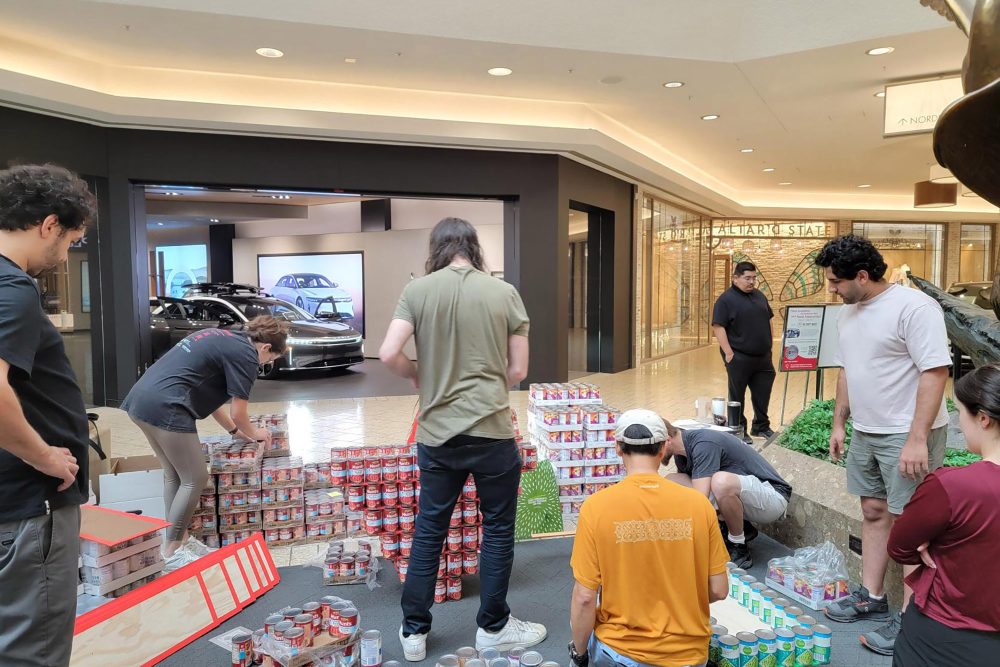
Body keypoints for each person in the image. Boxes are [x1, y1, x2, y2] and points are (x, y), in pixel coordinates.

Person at [380, 217, 540, 660]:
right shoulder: (503, 293)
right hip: (491, 433)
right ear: (474, 249)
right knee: (498, 530)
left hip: (437, 437)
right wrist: (490, 387)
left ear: (436, 249)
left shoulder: (418, 290)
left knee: (429, 530)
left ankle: (413, 632)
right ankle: (493, 628)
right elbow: (520, 370)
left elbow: (389, 352)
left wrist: (418, 374)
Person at [815, 235, 950, 656]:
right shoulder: (849, 313)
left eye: (837, 281)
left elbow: (936, 372)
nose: (831, 289)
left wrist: (916, 438)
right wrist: (840, 423)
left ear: (862, 275)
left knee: (911, 523)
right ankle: (872, 596)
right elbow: (847, 370)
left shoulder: (913, 308)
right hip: (867, 431)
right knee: (872, 511)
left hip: (905, 433)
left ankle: (911, 622)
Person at [0, 164, 96, 667]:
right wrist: (45, 457)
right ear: (49, 225)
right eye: (69, 241)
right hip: (27, 503)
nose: (63, 254)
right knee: (32, 648)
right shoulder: (13, 287)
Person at [121, 317, 287, 570]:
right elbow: (238, 412)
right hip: (168, 407)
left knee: (174, 475)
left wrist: (235, 432)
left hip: (142, 400)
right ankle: (172, 550)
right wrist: (255, 432)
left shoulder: (225, 338)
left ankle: (181, 540)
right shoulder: (247, 356)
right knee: (195, 477)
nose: (267, 364)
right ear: (265, 347)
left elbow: (214, 402)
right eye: (271, 358)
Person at [569, 410, 729, 667]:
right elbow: (719, 590)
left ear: (618, 447)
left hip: (621, 651)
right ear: (665, 447)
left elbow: (584, 597)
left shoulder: (597, 507)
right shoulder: (699, 506)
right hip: (689, 654)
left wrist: (579, 653)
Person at [888, 364, 1000, 666]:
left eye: (960, 413)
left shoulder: (951, 485)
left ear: (983, 419)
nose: (959, 424)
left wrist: (931, 543)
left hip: (943, 634)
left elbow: (899, 547)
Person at [661, 422, 791, 569]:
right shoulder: (682, 453)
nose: (653, 454)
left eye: (652, 447)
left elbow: (699, 501)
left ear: (667, 439)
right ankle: (741, 529)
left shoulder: (703, 443)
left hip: (773, 496)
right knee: (672, 482)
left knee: (720, 482)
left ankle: (738, 545)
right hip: (748, 498)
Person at [712, 261, 776, 442]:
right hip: (739, 356)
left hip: (763, 357)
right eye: (747, 278)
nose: (751, 282)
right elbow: (718, 326)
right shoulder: (725, 300)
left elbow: (769, 319)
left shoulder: (759, 296)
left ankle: (761, 426)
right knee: (737, 395)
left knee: (763, 393)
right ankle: (739, 429)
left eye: (754, 278)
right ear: (735, 278)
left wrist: (770, 345)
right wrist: (729, 353)